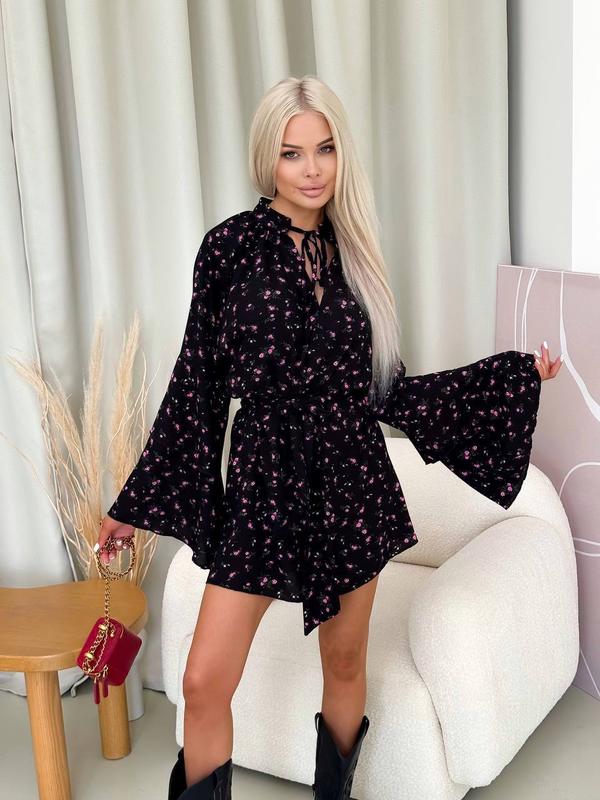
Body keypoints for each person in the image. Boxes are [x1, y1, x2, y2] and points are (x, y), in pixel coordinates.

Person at [96, 75, 562, 800]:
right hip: (264, 483)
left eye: (325, 149)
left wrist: (511, 376)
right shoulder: (228, 249)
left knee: (344, 665)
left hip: (352, 481)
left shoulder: (358, 257)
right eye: (292, 153)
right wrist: (134, 505)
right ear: (268, 159)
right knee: (203, 680)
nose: (311, 169)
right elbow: (196, 385)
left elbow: (388, 389)